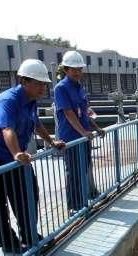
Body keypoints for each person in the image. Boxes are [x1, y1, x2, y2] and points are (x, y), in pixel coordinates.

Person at [0, 59, 65, 254]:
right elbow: (7, 129)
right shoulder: (8, 100)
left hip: (17, 156)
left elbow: (36, 124)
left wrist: (51, 142)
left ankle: (29, 235)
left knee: (29, 193)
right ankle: (8, 242)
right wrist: (17, 153)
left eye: (44, 84)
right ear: (24, 81)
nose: (43, 87)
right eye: (38, 83)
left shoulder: (31, 101)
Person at [53, 51, 106, 214]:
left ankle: (82, 200)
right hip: (71, 137)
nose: (77, 72)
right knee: (73, 172)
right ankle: (73, 206)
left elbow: (84, 111)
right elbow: (69, 113)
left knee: (83, 169)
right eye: (73, 69)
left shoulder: (79, 87)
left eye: (79, 69)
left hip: (83, 137)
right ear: (66, 70)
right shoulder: (61, 88)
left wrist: (95, 127)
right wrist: (83, 132)